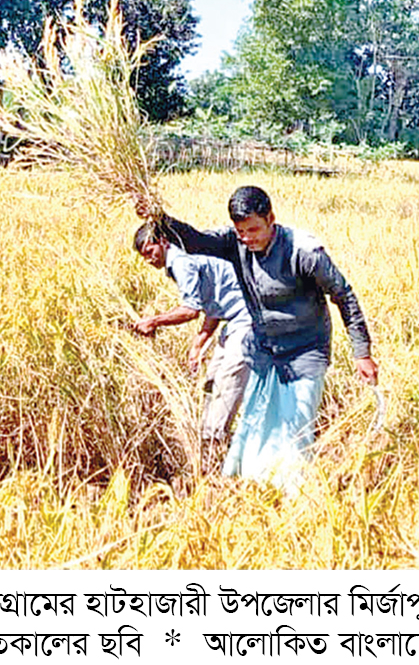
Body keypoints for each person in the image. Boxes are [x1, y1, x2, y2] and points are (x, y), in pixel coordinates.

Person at [139, 185, 378, 495]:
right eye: (241, 231)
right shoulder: (234, 244)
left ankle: (295, 495)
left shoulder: (303, 252)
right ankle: (257, 491)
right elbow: (197, 241)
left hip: (306, 350)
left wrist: (362, 352)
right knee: (257, 425)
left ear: (271, 219)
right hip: (265, 349)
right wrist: (161, 220)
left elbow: (343, 295)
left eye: (254, 229)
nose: (248, 238)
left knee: (296, 426)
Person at [132, 221, 253, 475]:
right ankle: (210, 444)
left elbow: (191, 310)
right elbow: (213, 305)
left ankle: (214, 456)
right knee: (211, 382)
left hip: (248, 318)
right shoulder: (181, 262)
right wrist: (198, 345)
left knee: (227, 381)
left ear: (163, 242)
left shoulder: (181, 262)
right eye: (144, 257)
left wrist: (153, 321)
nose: (149, 260)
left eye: (150, 252)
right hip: (233, 320)